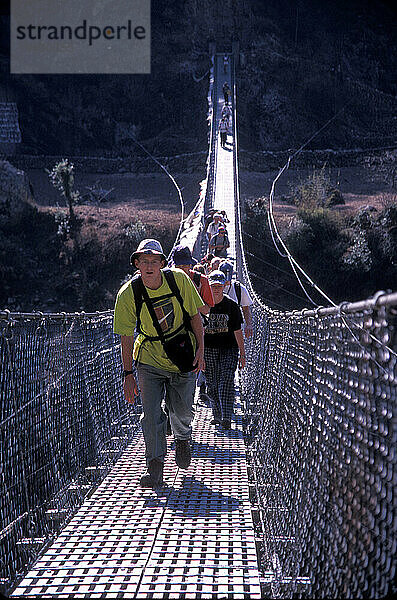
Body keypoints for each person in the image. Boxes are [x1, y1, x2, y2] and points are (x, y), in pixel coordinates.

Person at [113, 239, 205, 488]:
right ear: (137, 264)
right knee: (151, 415)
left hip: (182, 354)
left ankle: (183, 437)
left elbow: (195, 316)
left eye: (154, 261)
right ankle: (155, 468)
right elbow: (126, 336)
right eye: (144, 261)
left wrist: (201, 351)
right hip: (148, 359)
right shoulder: (128, 294)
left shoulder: (179, 280)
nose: (149, 266)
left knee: (182, 410)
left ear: (163, 264)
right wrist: (127, 374)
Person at [204, 270, 246, 429]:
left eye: (219, 286)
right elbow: (197, 330)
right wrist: (198, 354)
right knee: (212, 383)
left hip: (229, 348)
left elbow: (237, 331)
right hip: (209, 349)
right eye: (213, 286)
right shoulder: (202, 305)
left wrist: (242, 354)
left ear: (224, 286)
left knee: (227, 381)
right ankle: (217, 414)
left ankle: (226, 417)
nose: (216, 289)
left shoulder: (232, 306)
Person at [172, 245, 214, 315]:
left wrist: (194, 296)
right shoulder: (168, 279)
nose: (181, 269)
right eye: (178, 266)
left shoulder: (201, 280)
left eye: (184, 266)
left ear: (190, 265)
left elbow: (207, 310)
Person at [219, 261, 254, 338]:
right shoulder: (213, 287)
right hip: (217, 328)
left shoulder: (239, 288)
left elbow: (246, 308)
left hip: (234, 330)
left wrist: (249, 324)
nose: (227, 281)